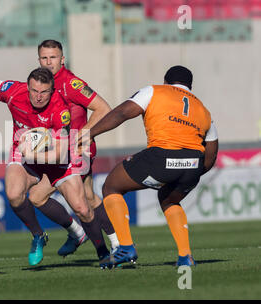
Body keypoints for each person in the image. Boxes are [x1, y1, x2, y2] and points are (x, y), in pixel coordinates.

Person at [0, 67, 112, 268]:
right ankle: (38, 235)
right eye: (34, 91)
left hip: (57, 159)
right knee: (13, 194)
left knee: (82, 208)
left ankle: (103, 252)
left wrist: (31, 154)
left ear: (52, 91)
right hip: (24, 153)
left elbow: (59, 154)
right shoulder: (13, 91)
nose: (38, 96)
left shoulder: (60, 110)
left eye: (44, 92)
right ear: (27, 87)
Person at [83, 65, 219, 267]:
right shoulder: (204, 111)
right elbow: (211, 155)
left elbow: (122, 113)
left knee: (111, 186)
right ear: (190, 86)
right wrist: (190, 170)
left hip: (161, 156)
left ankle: (126, 247)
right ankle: (185, 256)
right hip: (192, 165)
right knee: (169, 199)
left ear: (166, 81)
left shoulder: (155, 91)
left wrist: (90, 133)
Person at [28, 39, 119, 257]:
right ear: (39, 59)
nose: (49, 62)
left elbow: (104, 109)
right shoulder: (41, 85)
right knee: (87, 197)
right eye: (44, 57)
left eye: (53, 57)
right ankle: (114, 243)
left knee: (48, 197)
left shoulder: (70, 83)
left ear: (62, 59)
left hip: (79, 151)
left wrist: (80, 136)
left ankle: (99, 244)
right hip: (60, 152)